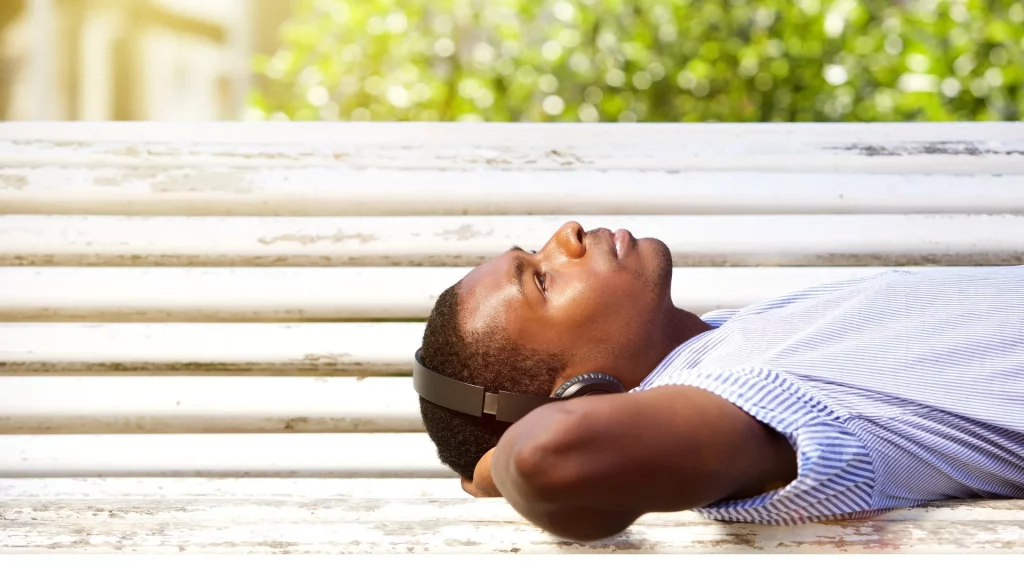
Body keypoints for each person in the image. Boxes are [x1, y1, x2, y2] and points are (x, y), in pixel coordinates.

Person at [415, 221, 1024, 542]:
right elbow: (550, 455)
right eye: (542, 281)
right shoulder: (736, 404)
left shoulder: (737, 338)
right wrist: (495, 469)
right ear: (580, 393)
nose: (566, 234)